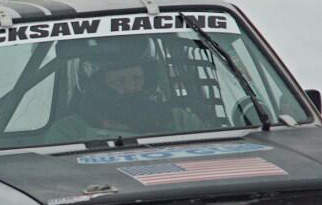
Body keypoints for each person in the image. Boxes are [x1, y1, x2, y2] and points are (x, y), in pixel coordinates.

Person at [46, 37, 204, 142]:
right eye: (119, 81)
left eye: (136, 78)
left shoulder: (181, 121)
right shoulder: (71, 132)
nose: (130, 88)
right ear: (97, 86)